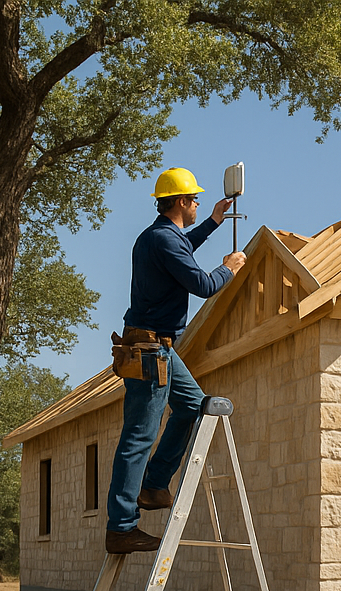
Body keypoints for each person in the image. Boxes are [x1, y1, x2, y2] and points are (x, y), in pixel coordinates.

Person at [105, 167, 246, 554]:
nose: (199, 203)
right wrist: (228, 269)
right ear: (183, 202)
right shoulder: (166, 241)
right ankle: (120, 527)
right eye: (196, 199)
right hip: (151, 352)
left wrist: (215, 222)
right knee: (138, 438)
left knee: (191, 407)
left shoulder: (159, 237)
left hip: (159, 348)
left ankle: (153, 486)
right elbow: (202, 284)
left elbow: (182, 247)